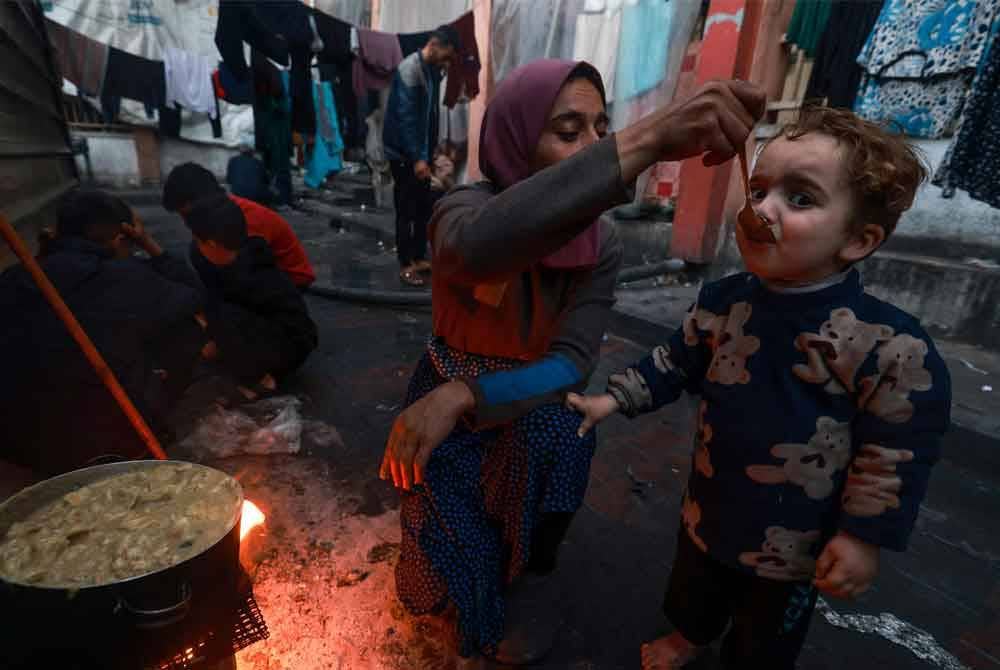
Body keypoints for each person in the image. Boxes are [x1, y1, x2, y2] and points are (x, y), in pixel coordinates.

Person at [378, 58, 765, 665]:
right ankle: (462, 572)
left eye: (600, 130)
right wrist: (647, 139)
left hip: (524, 399)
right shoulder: (461, 210)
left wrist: (469, 397)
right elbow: (479, 252)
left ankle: (533, 566)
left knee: (566, 435)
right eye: (567, 132)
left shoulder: (601, 242)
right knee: (436, 564)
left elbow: (571, 364)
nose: (590, 149)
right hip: (442, 389)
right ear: (515, 138)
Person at [568, 106, 952, 669]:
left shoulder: (887, 347)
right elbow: (675, 362)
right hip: (708, 512)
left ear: (858, 240)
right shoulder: (724, 303)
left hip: (795, 549)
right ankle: (689, 636)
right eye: (760, 188)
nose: (761, 209)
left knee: (766, 638)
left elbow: (896, 453)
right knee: (693, 589)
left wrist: (863, 537)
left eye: (800, 199)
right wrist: (613, 397)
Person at [0, 189, 204, 476]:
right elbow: (195, 295)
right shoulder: (124, 278)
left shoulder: (15, 277)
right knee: (186, 330)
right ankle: (147, 431)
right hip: (100, 445)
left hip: (16, 445)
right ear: (123, 236)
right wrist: (149, 244)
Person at [184, 193, 317, 402]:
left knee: (214, 316)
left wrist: (221, 343)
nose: (194, 245)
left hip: (292, 344)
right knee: (213, 316)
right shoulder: (235, 252)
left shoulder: (247, 274)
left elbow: (222, 314)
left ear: (211, 244)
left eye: (197, 240)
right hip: (283, 334)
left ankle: (261, 379)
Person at [382, 25, 459, 287]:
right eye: (446, 56)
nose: (446, 62)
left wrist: (430, 151)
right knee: (406, 209)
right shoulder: (410, 69)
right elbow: (406, 119)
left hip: (420, 151)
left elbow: (428, 115)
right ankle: (406, 264)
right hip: (404, 153)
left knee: (423, 207)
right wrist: (417, 158)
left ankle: (417, 256)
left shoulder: (430, 70)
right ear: (434, 45)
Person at [163, 162, 315, 289]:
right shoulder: (215, 215)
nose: (185, 222)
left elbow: (245, 271)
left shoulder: (244, 220)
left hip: (291, 279)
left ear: (198, 202)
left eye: (185, 214)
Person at [226, 133, 272, 206]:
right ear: (252, 150)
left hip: (238, 198)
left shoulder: (233, 161)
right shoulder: (258, 163)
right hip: (256, 199)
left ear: (240, 149)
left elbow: (229, 181)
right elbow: (267, 182)